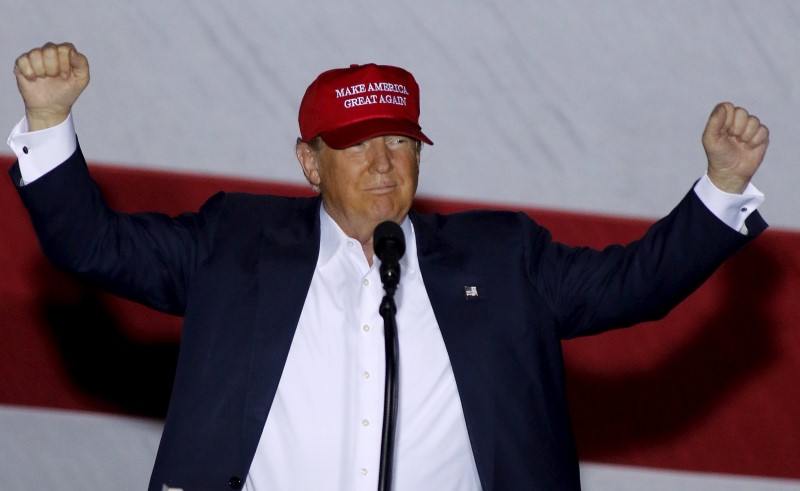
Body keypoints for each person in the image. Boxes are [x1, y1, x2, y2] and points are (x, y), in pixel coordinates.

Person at [8, 42, 769, 491]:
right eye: (357, 143)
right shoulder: (231, 245)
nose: (382, 163)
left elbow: (636, 284)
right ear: (308, 162)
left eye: (401, 142)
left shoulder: (503, 259)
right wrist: (49, 120)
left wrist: (721, 186)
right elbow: (92, 245)